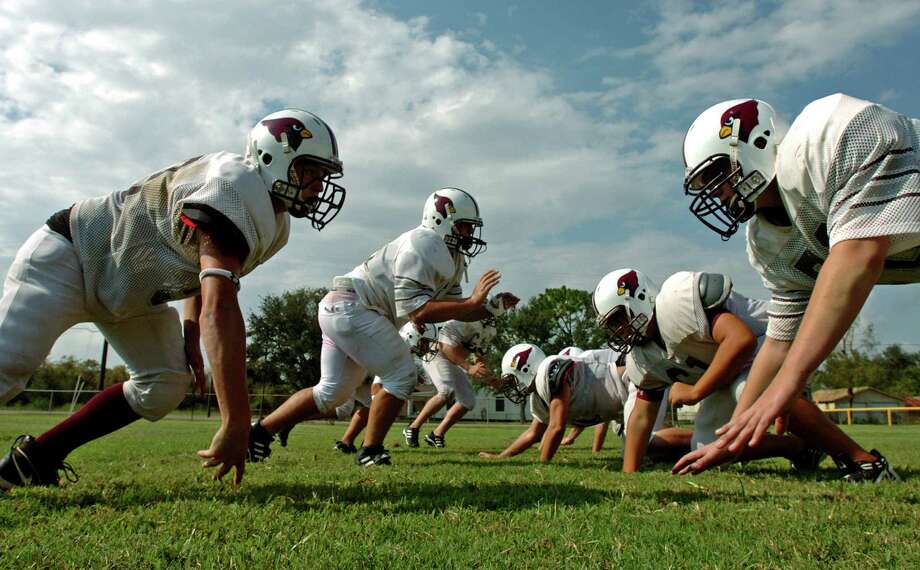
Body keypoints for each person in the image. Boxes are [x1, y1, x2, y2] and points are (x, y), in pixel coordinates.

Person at [0, 108, 345, 489]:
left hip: (129, 290)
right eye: (310, 171)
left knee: (163, 382)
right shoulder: (234, 189)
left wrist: (190, 332)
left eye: (324, 175)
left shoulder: (274, 223)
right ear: (271, 157)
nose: (318, 185)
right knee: (8, 367)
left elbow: (204, 278)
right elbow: (221, 306)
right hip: (72, 257)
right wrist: (235, 419)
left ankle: (35, 459)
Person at [675, 94, 915, 480]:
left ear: (756, 141)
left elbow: (858, 255)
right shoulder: (766, 240)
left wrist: (786, 388)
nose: (717, 193)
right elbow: (779, 340)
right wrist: (732, 434)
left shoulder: (829, 133)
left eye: (717, 175)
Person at [247, 188, 518, 466]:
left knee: (332, 393)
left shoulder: (451, 257)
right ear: (441, 219)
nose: (468, 234)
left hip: (341, 309)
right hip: (354, 308)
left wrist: (490, 307)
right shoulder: (424, 244)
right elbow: (418, 311)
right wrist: (472, 301)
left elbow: (456, 310)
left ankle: (259, 433)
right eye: (463, 226)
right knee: (401, 373)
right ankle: (371, 450)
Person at [593, 268, 829, 473]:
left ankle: (855, 457)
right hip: (728, 378)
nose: (618, 331)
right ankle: (799, 448)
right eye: (612, 326)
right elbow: (642, 416)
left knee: (747, 389)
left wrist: (696, 391)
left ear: (639, 296)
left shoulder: (676, 302)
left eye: (618, 320)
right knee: (707, 448)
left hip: (775, 345)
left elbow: (740, 341)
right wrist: (629, 474)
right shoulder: (644, 355)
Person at [481, 343, 691, 463]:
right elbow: (533, 434)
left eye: (512, 379)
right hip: (623, 401)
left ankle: (708, 440)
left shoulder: (549, 371)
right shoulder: (539, 397)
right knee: (641, 452)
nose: (512, 386)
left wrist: (542, 465)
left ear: (525, 368)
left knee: (640, 447)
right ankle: (699, 446)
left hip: (635, 383)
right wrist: (500, 456)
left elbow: (556, 427)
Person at [403, 317, 509, 449]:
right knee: (446, 391)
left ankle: (437, 434)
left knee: (468, 401)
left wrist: (490, 379)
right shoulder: (462, 320)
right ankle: (413, 427)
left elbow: (479, 356)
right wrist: (469, 368)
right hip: (438, 355)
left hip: (453, 361)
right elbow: (446, 347)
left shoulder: (489, 330)